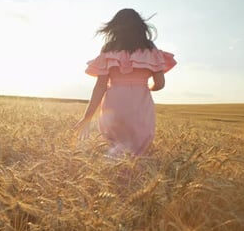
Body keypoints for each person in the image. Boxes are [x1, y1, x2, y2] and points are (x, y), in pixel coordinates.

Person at [74, 8, 176, 156]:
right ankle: (132, 177)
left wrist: (87, 117)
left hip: (114, 106)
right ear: (141, 27)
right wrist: (146, 87)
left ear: (114, 27)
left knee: (115, 149)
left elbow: (100, 87)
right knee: (137, 154)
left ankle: (114, 175)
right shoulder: (150, 48)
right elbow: (160, 83)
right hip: (140, 106)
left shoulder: (109, 49)